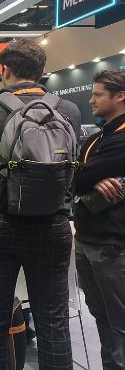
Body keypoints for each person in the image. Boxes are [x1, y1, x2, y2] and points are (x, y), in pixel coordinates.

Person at [0, 38, 81, 369]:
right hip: (53, 225)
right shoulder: (69, 111)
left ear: (5, 70)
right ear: (42, 71)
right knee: (54, 324)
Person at [73, 69, 125, 370]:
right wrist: (86, 179)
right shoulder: (97, 138)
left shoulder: (120, 139)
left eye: (97, 95)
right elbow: (72, 178)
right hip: (87, 239)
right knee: (102, 317)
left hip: (113, 245)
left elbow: (77, 178)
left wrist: (83, 178)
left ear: (120, 96)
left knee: (119, 322)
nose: (91, 100)